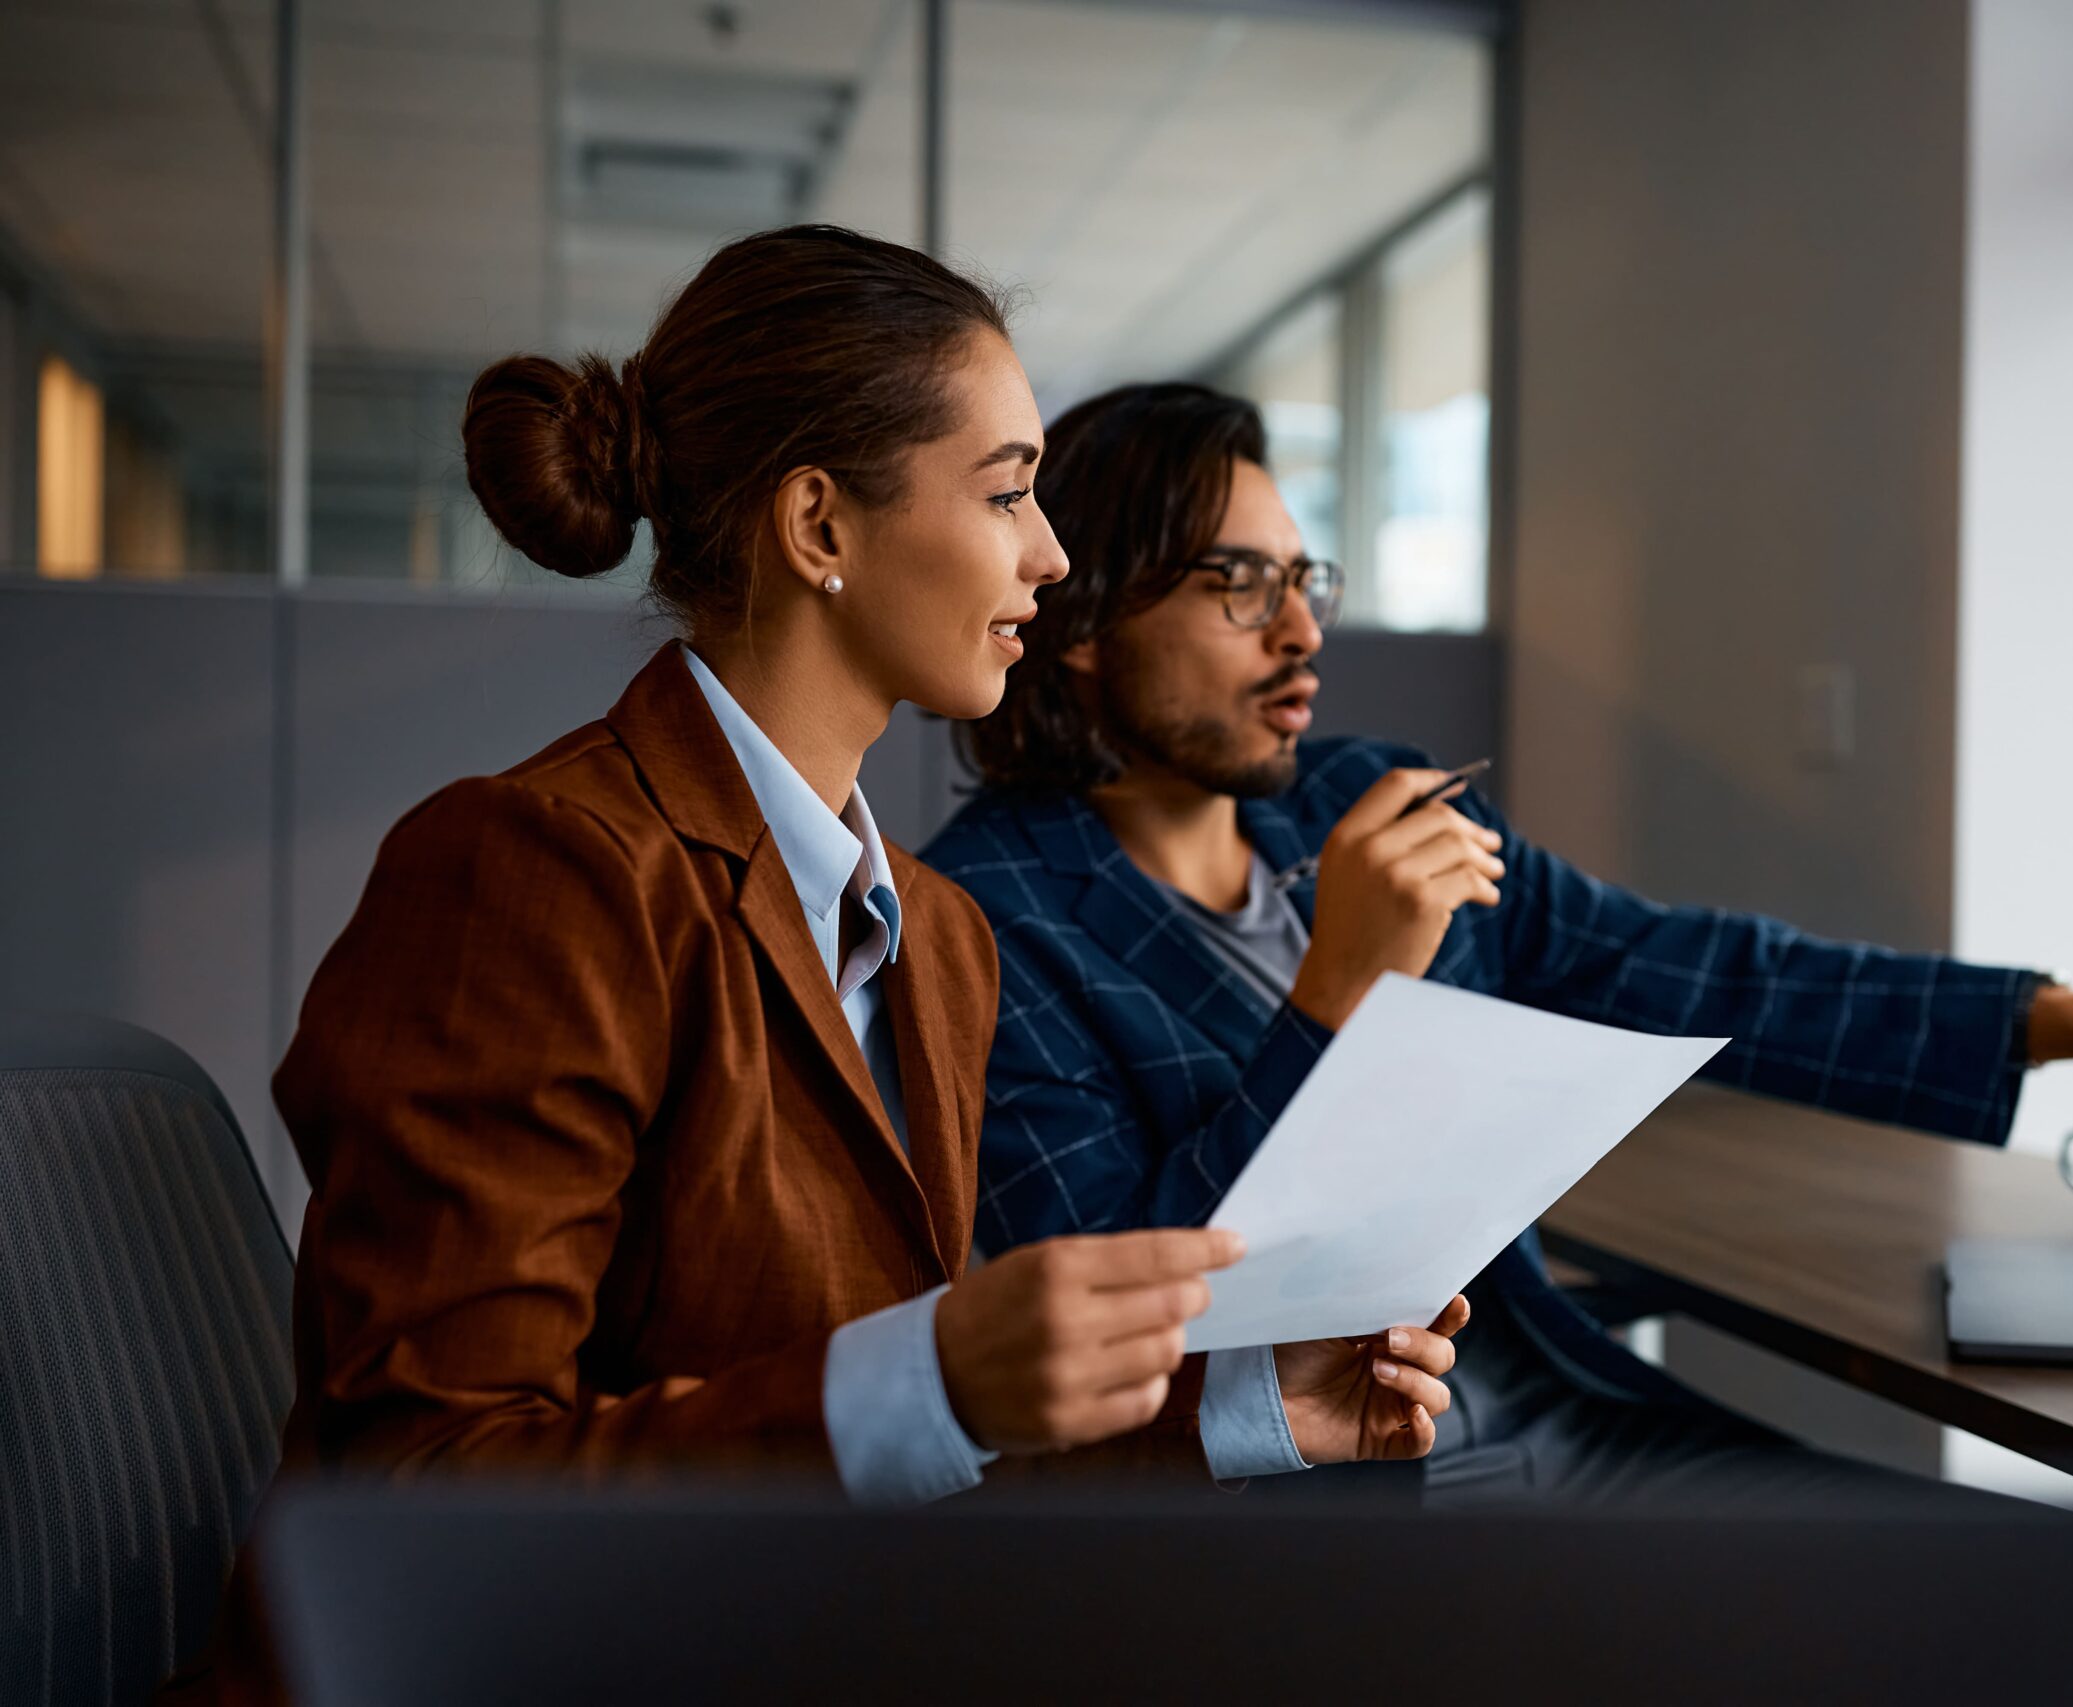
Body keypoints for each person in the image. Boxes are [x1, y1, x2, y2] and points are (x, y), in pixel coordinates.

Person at [919, 381, 2073, 1626]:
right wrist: (1335, 999)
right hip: (1307, 1528)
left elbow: (1705, 970)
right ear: (1087, 617)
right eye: (1234, 584)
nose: (1301, 632)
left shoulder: (1346, 804)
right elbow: (1116, 1348)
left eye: (1302, 580)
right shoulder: (987, 923)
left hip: (1554, 1424)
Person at [172, 238, 1461, 1702]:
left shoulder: (936, 938)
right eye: (1006, 491)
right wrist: (933, 1378)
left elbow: (910, 1454)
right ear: (817, 524)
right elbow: (428, 1502)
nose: (1048, 554)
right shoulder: (533, 872)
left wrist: (1244, 1406)